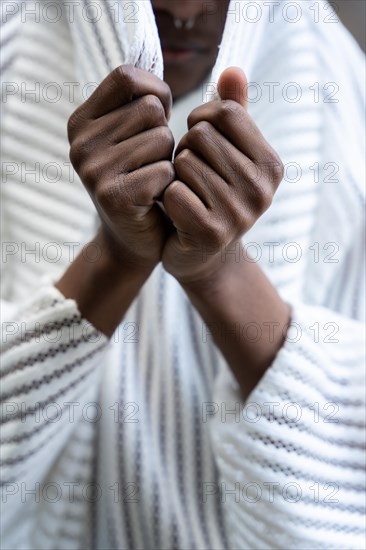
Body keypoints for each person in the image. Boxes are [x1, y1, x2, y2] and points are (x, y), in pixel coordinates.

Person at [1, 1, 365, 549]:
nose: (185, 9)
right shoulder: (13, 62)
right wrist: (116, 255)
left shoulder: (343, 103)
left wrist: (220, 270)